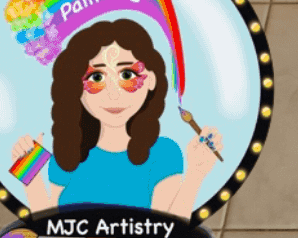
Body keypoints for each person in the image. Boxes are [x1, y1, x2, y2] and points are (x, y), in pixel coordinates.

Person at [12, 18, 221, 217]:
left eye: (127, 75)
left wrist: (196, 174)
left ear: (151, 80)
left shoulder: (164, 154)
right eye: (96, 77)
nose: (113, 94)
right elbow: (49, 228)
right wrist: (29, 173)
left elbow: (167, 231)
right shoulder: (67, 154)